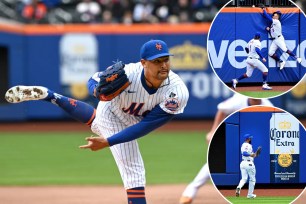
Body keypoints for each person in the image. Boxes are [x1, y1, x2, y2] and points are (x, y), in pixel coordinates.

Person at [5, 39, 189, 204]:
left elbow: (145, 126)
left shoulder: (177, 92)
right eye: (157, 61)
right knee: (133, 169)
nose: (163, 65)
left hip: (136, 122)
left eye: (166, 59)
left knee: (97, 125)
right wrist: (96, 91)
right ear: (143, 63)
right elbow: (92, 79)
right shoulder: (129, 73)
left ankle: (51, 96)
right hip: (111, 112)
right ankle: (52, 97)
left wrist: (108, 141)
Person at [179, 94, 272, 204]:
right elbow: (222, 109)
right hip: (233, 134)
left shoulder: (268, 107)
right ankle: (190, 192)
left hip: (251, 135)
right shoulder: (238, 100)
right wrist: (213, 131)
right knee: (218, 162)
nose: (254, 96)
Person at [235, 133, 258, 199]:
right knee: (252, 179)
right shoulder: (247, 145)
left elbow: (250, 154)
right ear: (248, 139)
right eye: (250, 138)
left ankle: (239, 187)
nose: (251, 139)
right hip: (249, 164)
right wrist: (251, 155)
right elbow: (244, 153)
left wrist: (254, 155)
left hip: (243, 163)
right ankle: (250, 195)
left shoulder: (243, 145)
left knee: (244, 178)